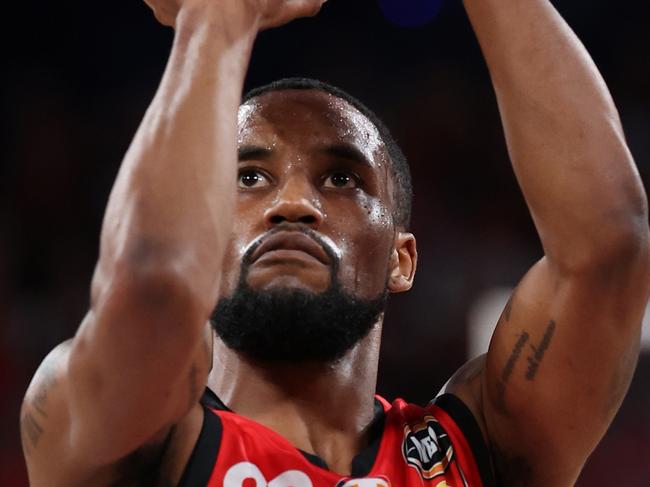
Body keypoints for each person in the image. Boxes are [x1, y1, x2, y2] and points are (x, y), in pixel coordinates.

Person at [20, 0, 649, 485]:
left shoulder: (477, 450)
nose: (292, 204)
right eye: (248, 177)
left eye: (342, 178)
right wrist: (217, 19)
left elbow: (609, 248)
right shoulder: (143, 441)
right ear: (204, 233)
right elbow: (150, 289)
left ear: (402, 260)